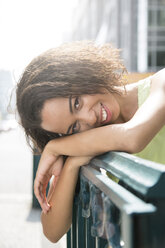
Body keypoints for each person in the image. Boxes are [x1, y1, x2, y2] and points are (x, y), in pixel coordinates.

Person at [16, 41, 165, 243]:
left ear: (81, 72)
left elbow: (132, 137)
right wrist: (71, 164)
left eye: (77, 102)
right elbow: (52, 231)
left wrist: (55, 147)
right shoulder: (88, 142)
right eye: (73, 128)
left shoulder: (161, 83)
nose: (89, 119)